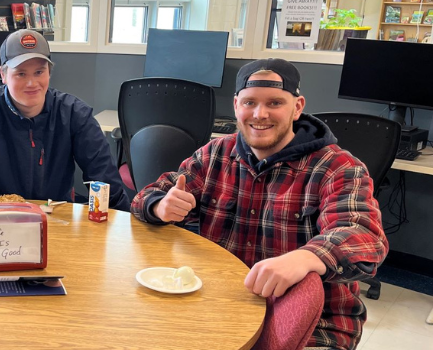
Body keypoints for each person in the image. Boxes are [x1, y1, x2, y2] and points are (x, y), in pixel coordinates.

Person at [130, 58, 388, 350]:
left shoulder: (338, 167)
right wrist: (159, 205)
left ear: (298, 106)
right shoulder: (215, 154)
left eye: (275, 103)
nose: (260, 114)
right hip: (220, 303)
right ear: (236, 105)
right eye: (250, 102)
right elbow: (146, 196)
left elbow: (364, 237)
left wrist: (306, 258)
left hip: (314, 323)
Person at [0, 30, 129, 210]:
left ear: (49, 72)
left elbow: (105, 182)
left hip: (55, 219)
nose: (32, 83)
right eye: (21, 73)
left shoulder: (75, 114)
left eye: (39, 72)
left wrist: (121, 226)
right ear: (3, 75)